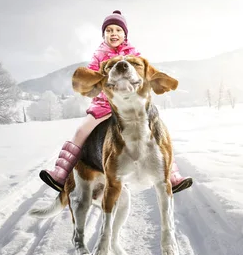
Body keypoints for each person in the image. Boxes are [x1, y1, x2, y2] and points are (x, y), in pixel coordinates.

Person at [39, 10, 193, 194]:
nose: (113, 34)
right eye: (109, 30)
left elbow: (145, 73)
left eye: (118, 30)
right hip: (105, 104)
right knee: (81, 130)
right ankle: (60, 174)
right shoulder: (99, 55)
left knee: (159, 132)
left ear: (125, 34)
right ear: (104, 35)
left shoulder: (134, 54)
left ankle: (171, 176)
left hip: (133, 105)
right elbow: (92, 76)